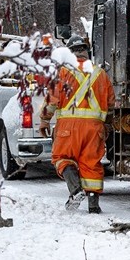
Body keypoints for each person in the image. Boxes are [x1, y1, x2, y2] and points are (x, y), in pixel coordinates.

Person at [39, 35, 116, 214]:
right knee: (91, 163)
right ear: (86, 52)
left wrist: (44, 120)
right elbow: (111, 104)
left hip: (68, 127)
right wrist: (108, 125)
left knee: (62, 158)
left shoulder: (63, 72)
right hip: (95, 128)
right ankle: (93, 205)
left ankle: (76, 190)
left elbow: (52, 100)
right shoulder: (101, 74)